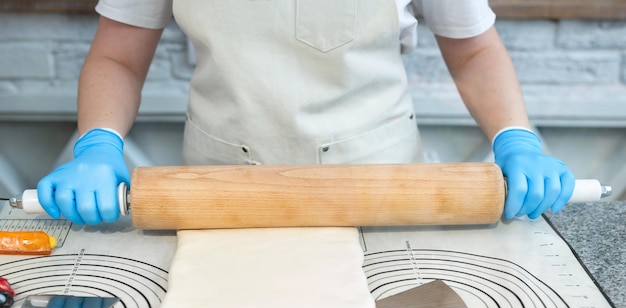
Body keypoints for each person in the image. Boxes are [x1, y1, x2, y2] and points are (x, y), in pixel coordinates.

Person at [37, 0, 575, 226]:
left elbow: (474, 51)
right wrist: (99, 143)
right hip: (222, 195)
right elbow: (118, 56)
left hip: (384, 192)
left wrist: (515, 139)